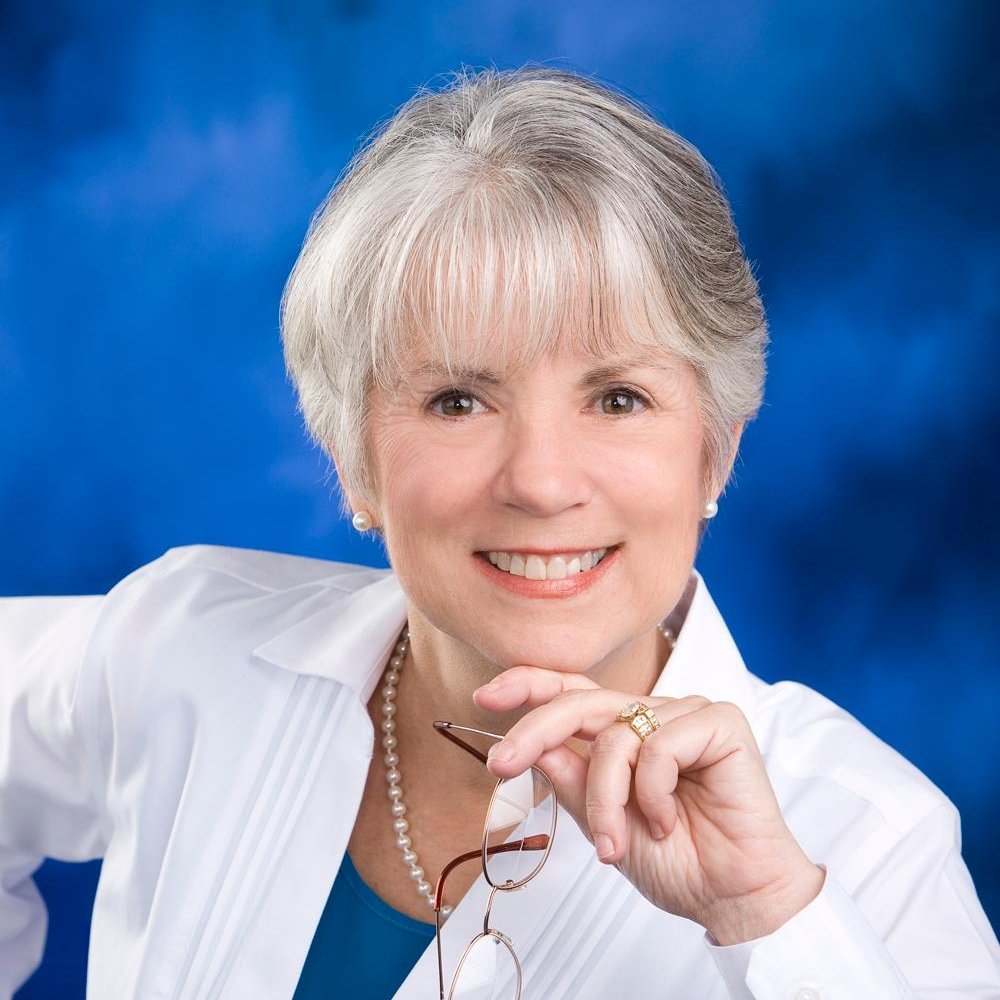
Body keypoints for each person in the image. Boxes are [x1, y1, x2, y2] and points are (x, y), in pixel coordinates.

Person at [1, 66, 997, 1000]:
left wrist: (767, 920)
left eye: (617, 397)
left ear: (715, 452)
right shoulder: (182, 646)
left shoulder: (863, 843)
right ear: (350, 456)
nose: (542, 482)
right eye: (457, 400)